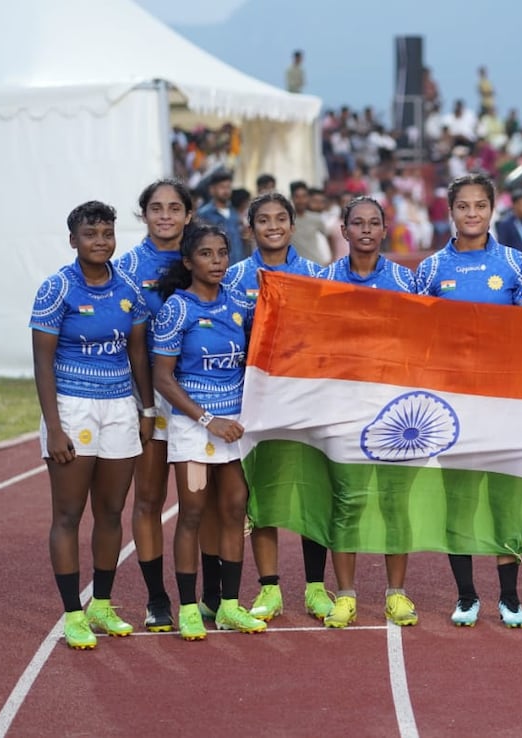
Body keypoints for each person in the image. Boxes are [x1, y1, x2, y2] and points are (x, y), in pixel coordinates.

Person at [415, 173, 522, 627]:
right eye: (463, 206)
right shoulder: (431, 270)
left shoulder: (514, 262)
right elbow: (416, 337)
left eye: (480, 205)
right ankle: (466, 596)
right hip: (454, 404)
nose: (472, 214)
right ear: (451, 213)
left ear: (492, 209)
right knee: (460, 500)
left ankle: (510, 597)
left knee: (505, 500)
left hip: (504, 399)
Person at [31, 201, 153, 649]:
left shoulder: (129, 289)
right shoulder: (56, 289)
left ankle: (101, 604)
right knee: (68, 514)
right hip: (72, 407)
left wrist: (147, 409)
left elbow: (137, 353)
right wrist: (54, 426)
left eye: (107, 233)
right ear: (73, 240)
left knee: (111, 511)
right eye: (90, 234)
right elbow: (42, 363)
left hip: (119, 406)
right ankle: (72, 613)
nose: (100, 241)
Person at [219, 193, 330, 624]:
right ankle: (270, 589)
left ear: (293, 225)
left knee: (310, 492)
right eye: (263, 220)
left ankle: (316, 588)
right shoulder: (233, 278)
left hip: (305, 400)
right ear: (250, 229)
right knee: (261, 493)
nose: (272, 226)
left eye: (280, 218)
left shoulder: (316, 276)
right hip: (255, 402)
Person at [152, 223, 267, 639]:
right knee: (194, 512)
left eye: (222, 253)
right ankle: (188, 607)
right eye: (206, 254)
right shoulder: (176, 309)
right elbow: (163, 378)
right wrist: (206, 419)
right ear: (188, 262)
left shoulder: (238, 303)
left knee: (235, 509)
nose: (216, 261)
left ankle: (229, 607)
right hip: (195, 429)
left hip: (234, 428)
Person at [318, 196, 421, 628]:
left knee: (395, 502)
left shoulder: (405, 281)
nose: (364, 230)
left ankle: (396, 594)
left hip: (394, 408)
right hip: (342, 408)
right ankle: (345, 596)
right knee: (348, 502)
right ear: (343, 230)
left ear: (384, 230)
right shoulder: (323, 282)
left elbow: (421, 340)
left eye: (373, 223)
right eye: (356, 223)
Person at [114, 179, 194, 632]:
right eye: (156, 208)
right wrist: (144, 404)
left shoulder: (201, 258)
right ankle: (157, 599)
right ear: (143, 215)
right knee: (148, 498)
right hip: (147, 399)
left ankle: (204, 596)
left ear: (188, 214)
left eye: (174, 208)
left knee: (197, 503)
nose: (165, 216)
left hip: (198, 399)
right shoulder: (124, 268)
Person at [196, 169, 247, 265]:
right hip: (217, 267)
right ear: (212, 190)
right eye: (222, 187)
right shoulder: (204, 214)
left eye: (228, 187)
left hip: (238, 265)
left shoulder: (235, 213)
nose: (226, 191)